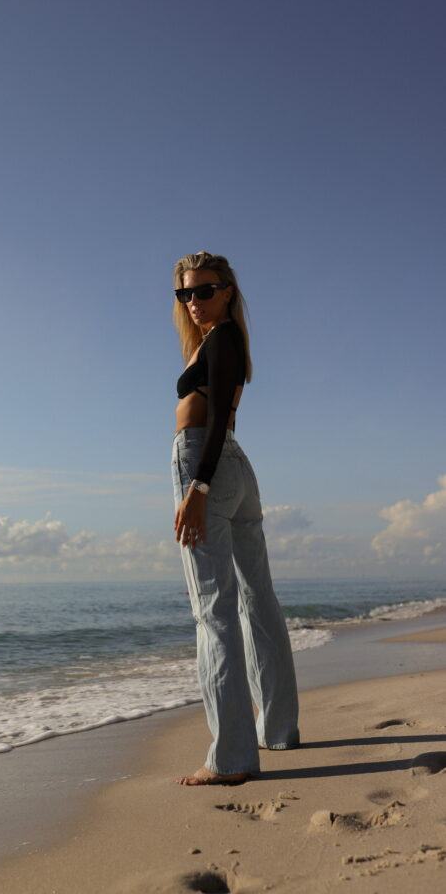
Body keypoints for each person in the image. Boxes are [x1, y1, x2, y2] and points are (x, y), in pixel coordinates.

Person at [171, 251, 299, 786]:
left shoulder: (223, 338)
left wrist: (197, 486)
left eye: (204, 290)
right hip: (235, 467)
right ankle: (278, 728)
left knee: (214, 611)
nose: (193, 301)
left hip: (207, 463)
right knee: (257, 600)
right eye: (185, 293)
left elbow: (220, 412)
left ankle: (231, 758)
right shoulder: (220, 339)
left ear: (227, 290)